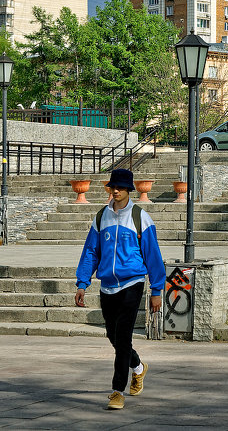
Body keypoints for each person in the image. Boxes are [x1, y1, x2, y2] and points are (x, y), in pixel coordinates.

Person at [75, 168, 166, 411]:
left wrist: (157, 290)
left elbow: (153, 256)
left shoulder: (140, 218)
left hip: (132, 283)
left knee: (123, 336)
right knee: (113, 337)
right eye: (113, 187)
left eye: (120, 188)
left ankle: (117, 391)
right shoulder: (101, 217)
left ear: (128, 190)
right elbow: (91, 252)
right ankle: (138, 367)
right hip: (107, 286)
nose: (115, 191)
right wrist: (82, 283)